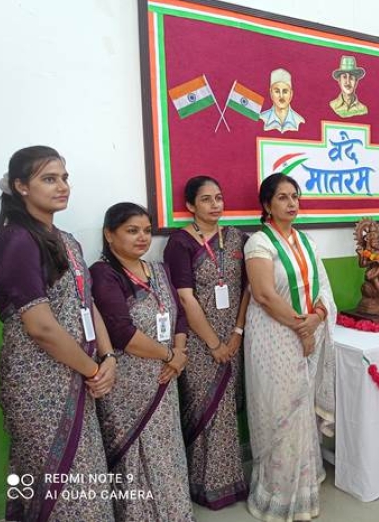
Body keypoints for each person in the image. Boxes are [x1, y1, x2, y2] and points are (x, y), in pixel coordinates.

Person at [0, 146, 115, 521]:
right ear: (21, 186)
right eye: (49, 178)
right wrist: (94, 370)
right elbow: (40, 327)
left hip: (79, 373)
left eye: (64, 177)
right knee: (61, 489)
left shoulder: (67, 240)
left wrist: (108, 356)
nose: (62, 186)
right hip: (38, 381)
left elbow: (87, 302)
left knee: (85, 481)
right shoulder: (15, 240)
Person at [90, 203, 194, 520]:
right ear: (109, 235)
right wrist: (170, 356)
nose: (142, 237)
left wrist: (179, 354)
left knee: (167, 448)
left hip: (165, 377)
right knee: (136, 452)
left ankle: (174, 512)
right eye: (132, 230)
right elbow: (122, 333)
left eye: (147, 231)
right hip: (128, 388)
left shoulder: (157, 269)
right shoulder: (104, 273)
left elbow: (180, 316)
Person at [243, 173, 336, 521]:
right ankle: (278, 494)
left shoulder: (305, 240)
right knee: (280, 411)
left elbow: (323, 287)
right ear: (267, 205)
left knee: (301, 411)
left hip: (305, 332)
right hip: (273, 337)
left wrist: (318, 318)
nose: (291, 203)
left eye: (294, 196)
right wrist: (303, 328)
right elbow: (265, 295)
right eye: (282, 197)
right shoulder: (258, 243)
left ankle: (304, 489)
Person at [164, 176, 249, 508]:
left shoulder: (237, 238)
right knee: (205, 411)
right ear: (190, 205)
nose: (215, 205)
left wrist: (237, 332)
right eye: (206, 199)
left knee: (227, 412)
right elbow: (185, 298)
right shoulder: (180, 243)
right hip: (200, 345)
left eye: (219, 197)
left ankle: (232, 482)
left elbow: (247, 289)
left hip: (234, 339)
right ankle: (204, 487)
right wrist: (214, 344)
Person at [259, 68, 305, 133]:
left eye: (285, 91)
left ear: (291, 94)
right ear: (271, 93)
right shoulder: (262, 118)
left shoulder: (299, 121)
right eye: (277, 91)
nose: (281, 96)